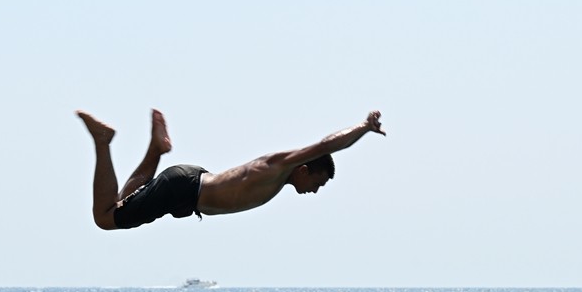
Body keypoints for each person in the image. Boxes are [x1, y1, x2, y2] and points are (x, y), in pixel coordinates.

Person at [76, 108, 385, 231]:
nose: (316, 191)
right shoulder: (280, 164)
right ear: (304, 169)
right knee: (105, 218)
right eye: (318, 183)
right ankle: (103, 140)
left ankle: (157, 148)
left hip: (188, 187)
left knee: (124, 201)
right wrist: (363, 127)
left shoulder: (278, 177)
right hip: (186, 187)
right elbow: (326, 145)